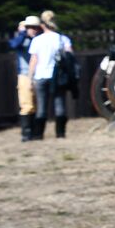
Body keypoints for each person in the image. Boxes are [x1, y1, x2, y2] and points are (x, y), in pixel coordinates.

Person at [27, 10, 73, 140]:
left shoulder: (37, 40)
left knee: (41, 106)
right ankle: (60, 133)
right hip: (58, 76)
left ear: (42, 24)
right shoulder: (62, 39)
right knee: (60, 105)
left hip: (41, 75)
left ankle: (38, 135)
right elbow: (70, 56)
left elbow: (33, 60)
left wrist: (30, 77)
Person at [9, 14, 42, 141]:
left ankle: (36, 132)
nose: (32, 29)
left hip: (39, 74)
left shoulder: (40, 39)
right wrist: (23, 34)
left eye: (35, 27)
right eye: (29, 27)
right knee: (26, 104)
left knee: (37, 105)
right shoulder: (22, 39)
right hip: (24, 75)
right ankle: (26, 134)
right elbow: (13, 45)